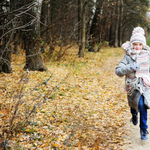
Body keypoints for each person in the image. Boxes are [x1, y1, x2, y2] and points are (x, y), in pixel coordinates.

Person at [115, 26, 150, 140]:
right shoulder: (128, 57)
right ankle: (134, 114)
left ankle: (143, 129)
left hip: (145, 85)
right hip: (132, 86)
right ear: (131, 44)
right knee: (135, 105)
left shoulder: (147, 56)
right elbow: (118, 71)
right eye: (135, 44)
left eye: (140, 44)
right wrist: (130, 67)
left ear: (143, 45)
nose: (137, 47)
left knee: (143, 105)